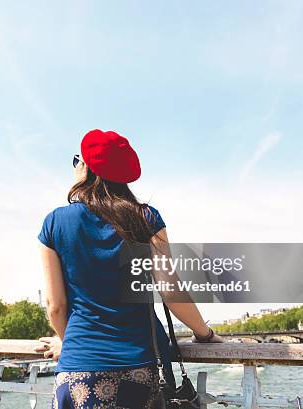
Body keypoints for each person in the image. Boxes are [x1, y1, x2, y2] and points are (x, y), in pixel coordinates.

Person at [35, 129, 223, 409]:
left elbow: (56, 307)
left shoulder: (54, 223)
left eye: (77, 160)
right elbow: (170, 292)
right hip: (138, 368)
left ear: (86, 168)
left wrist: (72, 341)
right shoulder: (146, 218)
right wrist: (204, 333)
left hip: (76, 374)